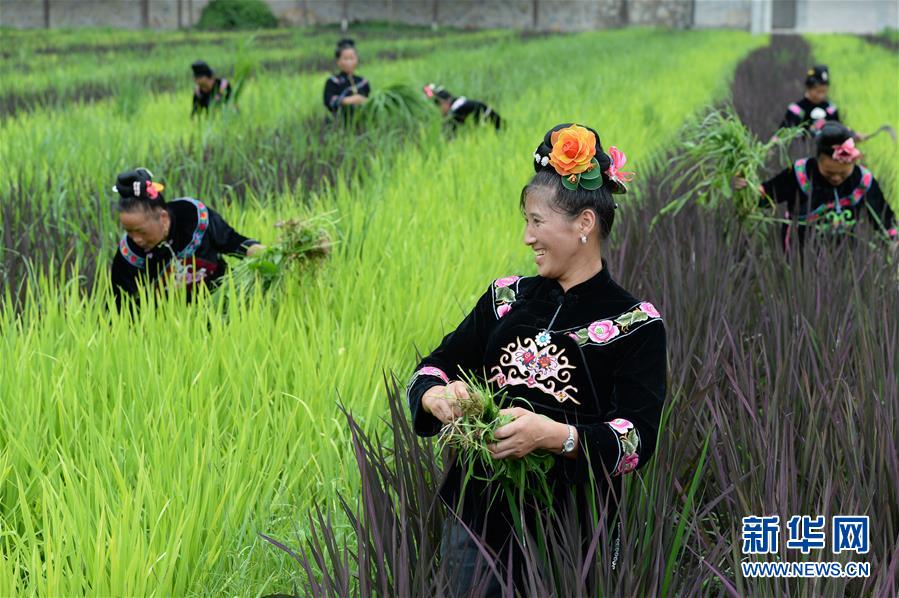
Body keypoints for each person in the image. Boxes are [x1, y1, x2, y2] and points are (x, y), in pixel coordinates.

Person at [406, 124, 666, 594]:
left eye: (537, 222)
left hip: (571, 535)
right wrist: (437, 397)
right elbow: (431, 369)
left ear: (584, 223)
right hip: (476, 522)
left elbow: (636, 442)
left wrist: (556, 437)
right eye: (525, 221)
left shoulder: (635, 323)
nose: (527, 237)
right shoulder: (506, 298)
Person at [111, 168, 264, 307]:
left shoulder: (195, 218)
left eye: (141, 231)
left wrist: (273, 254)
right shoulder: (129, 255)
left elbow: (234, 243)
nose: (136, 239)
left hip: (223, 303)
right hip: (172, 325)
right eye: (129, 232)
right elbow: (122, 307)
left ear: (163, 218)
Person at [736, 122, 896, 251]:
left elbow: (883, 217)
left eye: (843, 173)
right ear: (818, 158)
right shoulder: (799, 173)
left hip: (843, 251)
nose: (836, 177)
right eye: (829, 172)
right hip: (799, 251)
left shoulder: (863, 180)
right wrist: (747, 188)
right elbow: (768, 195)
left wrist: (893, 241)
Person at [780, 65, 840, 133]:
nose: (821, 96)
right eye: (818, 91)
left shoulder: (831, 110)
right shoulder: (796, 111)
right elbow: (783, 136)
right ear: (808, 88)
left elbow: (839, 133)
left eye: (824, 91)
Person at [423, 83, 502, 131]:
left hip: (496, 128)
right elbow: (427, 88)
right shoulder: (462, 103)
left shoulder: (458, 109)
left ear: (445, 102)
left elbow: (450, 130)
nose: (440, 111)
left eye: (439, 106)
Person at [323, 39, 370, 119]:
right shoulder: (333, 81)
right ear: (338, 61)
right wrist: (350, 100)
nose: (349, 62)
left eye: (352, 58)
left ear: (356, 59)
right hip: (341, 125)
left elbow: (368, 100)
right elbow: (329, 101)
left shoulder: (362, 81)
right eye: (345, 59)